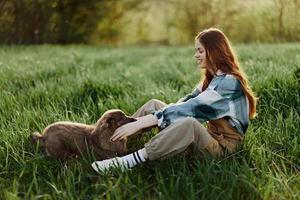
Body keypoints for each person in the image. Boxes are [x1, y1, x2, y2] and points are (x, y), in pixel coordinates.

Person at [91, 28, 257, 173]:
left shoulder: (228, 82)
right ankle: (113, 143)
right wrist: (147, 120)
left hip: (222, 150)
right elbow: (184, 103)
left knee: (189, 124)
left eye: (200, 51)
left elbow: (191, 108)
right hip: (208, 137)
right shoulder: (211, 79)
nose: (195, 55)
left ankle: (126, 161)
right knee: (154, 104)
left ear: (214, 51)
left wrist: (141, 122)